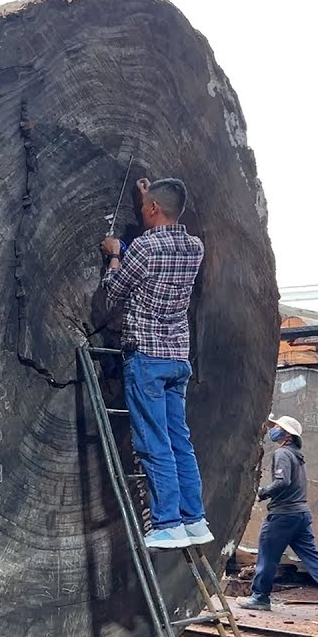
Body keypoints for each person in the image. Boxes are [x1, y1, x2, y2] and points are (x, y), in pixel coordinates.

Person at [100, 177, 209, 549]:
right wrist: (147, 196)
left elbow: (114, 291)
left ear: (152, 210)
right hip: (178, 357)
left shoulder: (143, 250)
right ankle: (194, 519)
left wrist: (115, 254)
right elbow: (163, 238)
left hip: (146, 357)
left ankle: (166, 524)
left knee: (153, 442)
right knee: (180, 441)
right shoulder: (194, 247)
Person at [236, 415, 318, 619]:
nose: (273, 429)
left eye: (277, 427)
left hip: (283, 515)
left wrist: (261, 492)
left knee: (267, 556)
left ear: (287, 435)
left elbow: (282, 481)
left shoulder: (282, 453)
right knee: (314, 559)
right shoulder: (297, 455)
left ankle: (260, 597)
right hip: (300, 514)